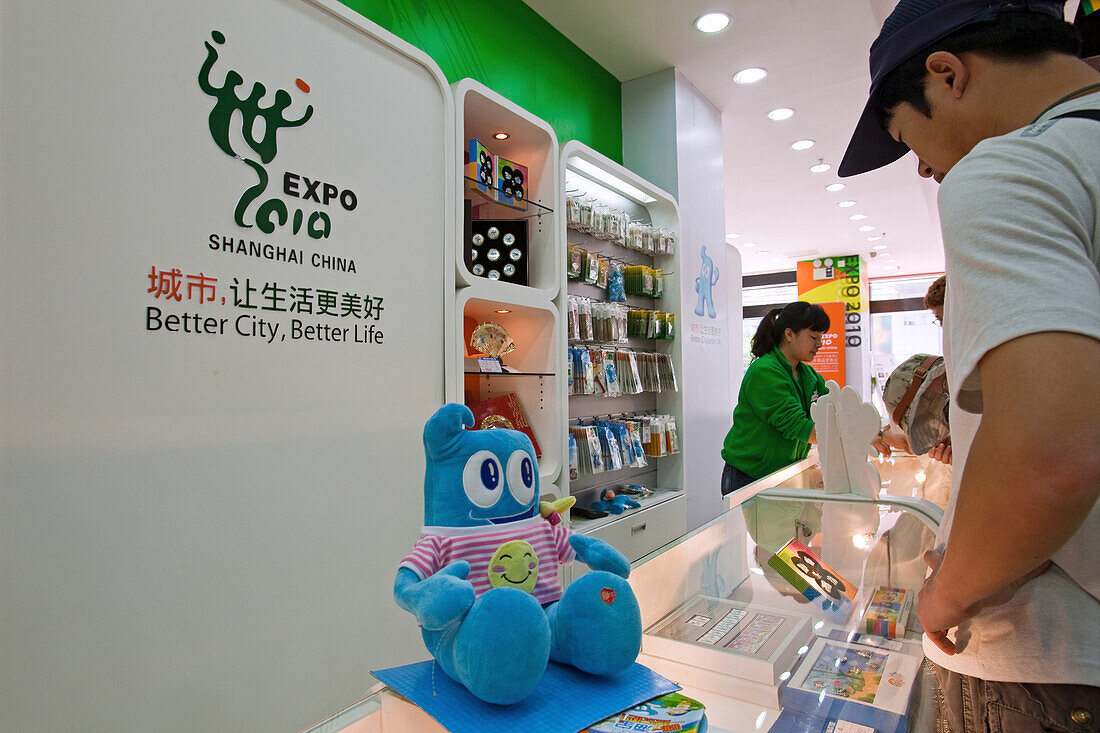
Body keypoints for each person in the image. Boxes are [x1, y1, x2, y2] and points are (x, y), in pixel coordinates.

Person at [841, 1, 1100, 728]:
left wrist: (948, 591)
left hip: (1047, 658)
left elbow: (1051, 455)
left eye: (906, 136)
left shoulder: (1012, 167)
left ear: (947, 74)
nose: (923, 165)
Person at [721, 302, 830, 495]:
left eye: (821, 338)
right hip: (750, 475)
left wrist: (872, 432)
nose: (819, 344)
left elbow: (833, 410)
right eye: (813, 337)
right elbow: (799, 427)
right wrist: (859, 437)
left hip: (783, 473)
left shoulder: (808, 375)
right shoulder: (764, 371)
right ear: (789, 334)